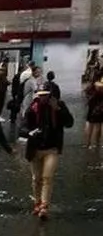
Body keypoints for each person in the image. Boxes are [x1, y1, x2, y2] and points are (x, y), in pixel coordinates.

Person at [19, 83, 74, 220]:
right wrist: (30, 133)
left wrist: (59, 109)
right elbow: (23, 127)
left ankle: (44, 205)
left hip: (52, 148)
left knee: (47, 177)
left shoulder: (58, 107)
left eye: (46, 95)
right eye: (41, 95)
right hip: (35, 148)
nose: (43, 98)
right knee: (36, 178)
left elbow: (69, 123)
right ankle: (37, 202)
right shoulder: (33, 108)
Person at [84, 77, 103, 148]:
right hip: (98, 110)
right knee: (97, 127)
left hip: (93, 110)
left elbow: (88, 99)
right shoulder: (96, 91)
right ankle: (96, 144)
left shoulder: (90, 89)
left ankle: (88, 144)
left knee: (90, 126)